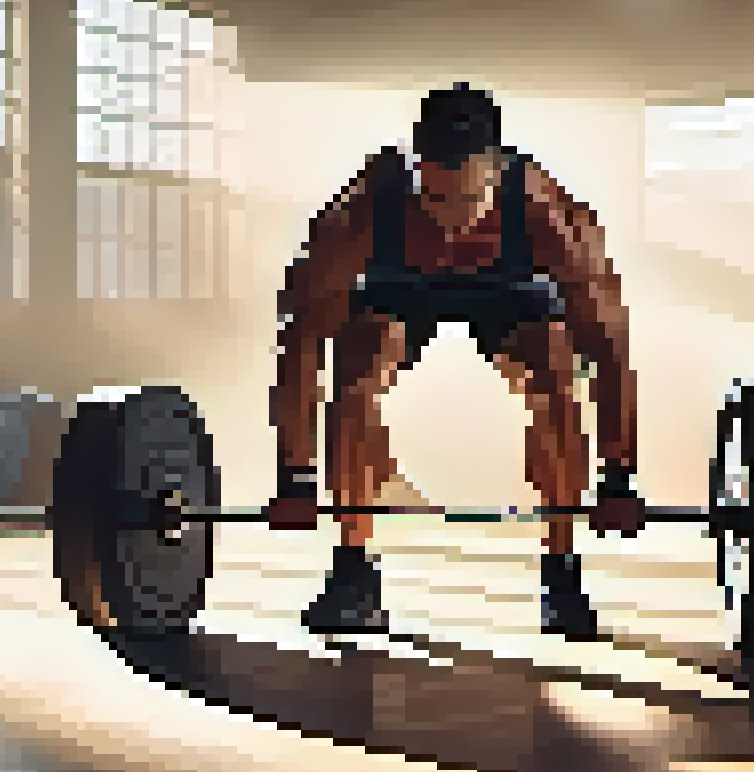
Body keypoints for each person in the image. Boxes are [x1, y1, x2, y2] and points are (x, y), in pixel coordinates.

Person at [266, 81, 643, 638]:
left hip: (507, 289)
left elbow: (609, 345)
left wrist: (618, 476)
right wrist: (295, 475)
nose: (451, 221)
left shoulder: (545, 212)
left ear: (497, 174)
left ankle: (561, 570)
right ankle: (352, 571)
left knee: (558, 379)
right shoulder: (367, 206)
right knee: (355, 380)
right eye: (436, 201)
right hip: (400, 287)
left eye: (469, 203)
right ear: (416, 171)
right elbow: (300, 337)